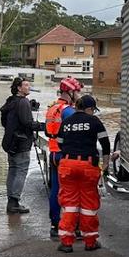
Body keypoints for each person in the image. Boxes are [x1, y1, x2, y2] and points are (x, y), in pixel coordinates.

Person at [55, 94, 110, 253]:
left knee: (69, 204)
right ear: (89, 108)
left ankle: (66, 243)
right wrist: (105, 164)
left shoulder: (66, 122)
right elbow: (105, 144)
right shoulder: (94, 121)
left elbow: (59, 144)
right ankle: (90, 242)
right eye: (93, 110)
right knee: (88, 205)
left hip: (67, 165)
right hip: (87, 165)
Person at [44, 76, 82, 238]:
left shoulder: (53, 108)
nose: (79, 94)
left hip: (53, 153)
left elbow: (48, 131)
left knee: (56, 190)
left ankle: (54, 224)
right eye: (77, 91)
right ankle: (72, 226)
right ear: (70, 92)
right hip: (66, 155)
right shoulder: (69, 111)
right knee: (72, 192)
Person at [0, 77, 44, 214]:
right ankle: (14, 202)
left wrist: (29, 107)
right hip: (21, 143)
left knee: (13, 170)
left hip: (10, 142)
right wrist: (44, 126)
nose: (28, 87)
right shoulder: (23, 102)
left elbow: (5, 121)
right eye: (26, 85)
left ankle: (11, 202)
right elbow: (27, 123)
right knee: (20, 171)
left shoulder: (11, 101)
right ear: (19, 88)